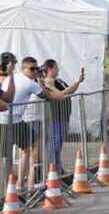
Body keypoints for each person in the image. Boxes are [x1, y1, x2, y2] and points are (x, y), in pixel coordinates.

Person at [2, 56, 83, 189]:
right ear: (23, 68)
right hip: (17, 119)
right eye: (32, 68)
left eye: (37, 68)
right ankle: (23, 185)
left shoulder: (18, 78)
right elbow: (56, 96)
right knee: (31, 152)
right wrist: (42, 84)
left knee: (29, 151)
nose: (35, 71)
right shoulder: (30, 83)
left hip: (16, 119)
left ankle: (23, 185)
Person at [41, 59, 82, 174]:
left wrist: (77, 83)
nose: (58, 70)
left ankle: (57, 167)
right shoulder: (48, 82)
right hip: (55, 117)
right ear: (49, 69)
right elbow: (61, 94)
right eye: (56, 68)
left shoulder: (58, 80)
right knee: (55, 143)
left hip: (63, 116)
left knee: (58, 144)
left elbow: (70, 91)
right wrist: (77, 82)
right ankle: (53, 168)